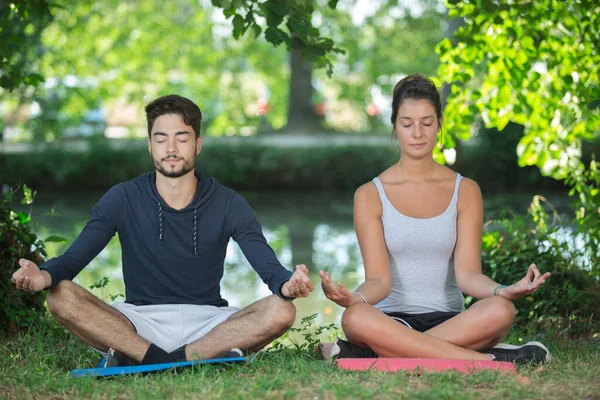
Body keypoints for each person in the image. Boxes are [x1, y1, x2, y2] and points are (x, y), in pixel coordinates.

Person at [12, 94, 314, 366]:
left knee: (282, 310)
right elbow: (74, 259)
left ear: (198, 143)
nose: (171, 148)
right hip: (138, 323)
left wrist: (288, 285)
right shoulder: (122, 197)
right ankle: (167, 356)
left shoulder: (229, 202)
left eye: (182, 138)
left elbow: (268, 268)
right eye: (161, 138)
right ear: (149, 145)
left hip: (208, 324)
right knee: (60, 295)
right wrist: (44, 274)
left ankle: (156, 359)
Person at [319, 74, 551, 365]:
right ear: (395, 126)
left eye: (427, 123)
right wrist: (353, 298)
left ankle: (379, 354)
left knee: (501, 309)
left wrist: (502, 290)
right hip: (392, 323)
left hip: (453, 321)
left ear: (439, 123)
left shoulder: (465, 190)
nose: (417, 132)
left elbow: (468, 275)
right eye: (407, 124)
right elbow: (379, 281)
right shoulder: (369, 195)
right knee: (355, 317)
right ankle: (488, 361)